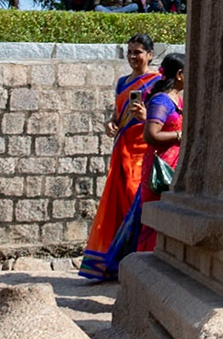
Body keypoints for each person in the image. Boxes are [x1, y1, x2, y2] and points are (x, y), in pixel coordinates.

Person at [78, 34, 160, 281]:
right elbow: (116, 115)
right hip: (123, 147)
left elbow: (162, 117)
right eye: (130, 52)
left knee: (136, 197)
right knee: (118, 200)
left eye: (138, 52)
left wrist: (146, 116)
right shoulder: (123, 82)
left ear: (150, 55)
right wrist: (110, 124)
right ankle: (116, 260)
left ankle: (139, 257)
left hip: (142, 149)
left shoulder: (157, 81)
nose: (133, 57)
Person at [133, 52, 185, 254]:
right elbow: (151, 135)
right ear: (179, 74)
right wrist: (180, 136)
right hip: (160, 169)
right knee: (156, 217)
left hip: (175, 166)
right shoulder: (161, 101)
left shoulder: (177, 100)